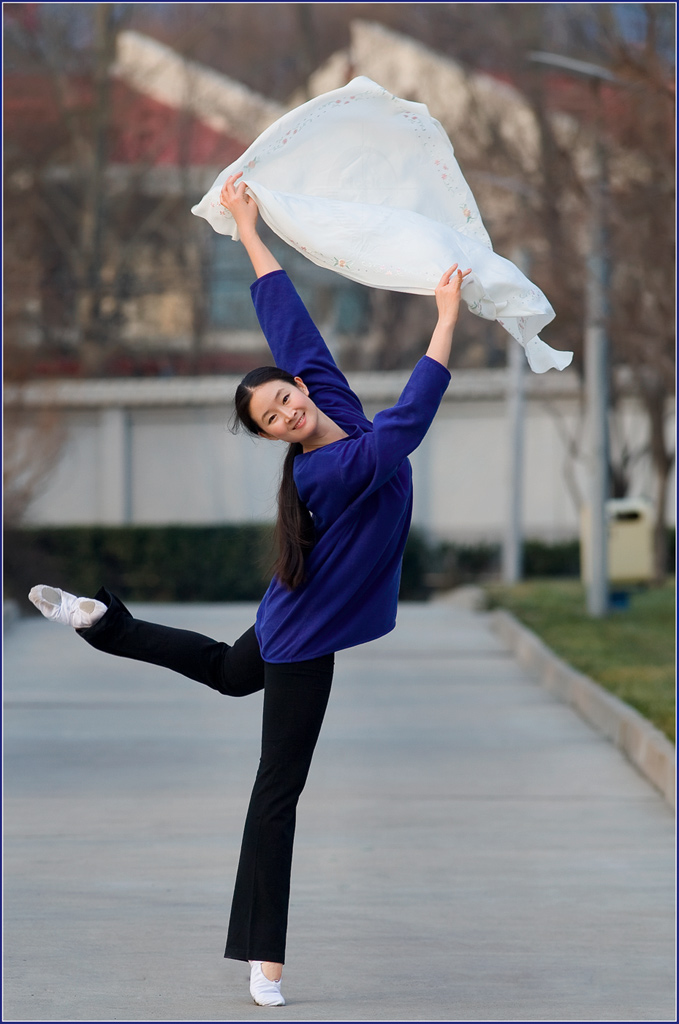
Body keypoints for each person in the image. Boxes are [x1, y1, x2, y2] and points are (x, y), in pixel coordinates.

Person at [29, 172, 472, 1008]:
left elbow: (289, 323)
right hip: (304, 633)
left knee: (231, 673)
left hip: (292, 613)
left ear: (299, 392)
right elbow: (409, 421)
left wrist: (247, 227)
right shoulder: (340, 466)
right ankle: (263, 961)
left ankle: (100, 621)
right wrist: (444, 321)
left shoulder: (330, 400)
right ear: (275, 435)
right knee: (278, 793)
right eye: (271, 417)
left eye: (282, 398)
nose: (286, 412)